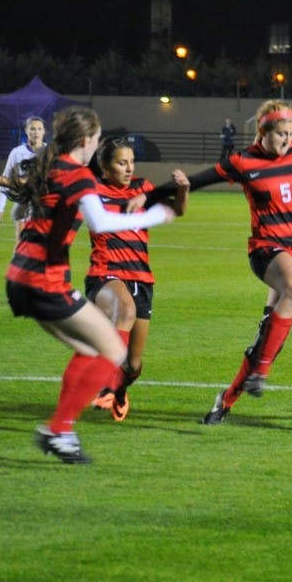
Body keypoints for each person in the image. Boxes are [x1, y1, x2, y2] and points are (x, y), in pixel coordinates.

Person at [0, 106, 185, 463]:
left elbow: (25, 190)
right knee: (113, 352)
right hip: (45, 279)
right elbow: (100, 222)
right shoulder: (78, 175)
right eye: (97, 140)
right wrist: (156, 215)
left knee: (89, 350)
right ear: (86, 141)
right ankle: (59, 428)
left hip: (18, 278)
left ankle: (63, 432)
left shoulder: (47, 166)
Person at [147, 100, 292, 425]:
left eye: (291, 133)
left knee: (268, 339)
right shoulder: (242, 161)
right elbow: (196, 182)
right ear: (263, 131)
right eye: (281, 134)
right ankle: (262, 373)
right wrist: (146, 197)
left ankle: (226, 400)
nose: (287, 140)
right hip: (267, 250)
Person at [86, 138, 189, 422]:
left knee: (133, 365)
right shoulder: (93, 191)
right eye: (122, 163)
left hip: (141, 277)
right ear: (105, 168)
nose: (129, 168)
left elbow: (178, 210)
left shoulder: (142, 188)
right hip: (105, 273)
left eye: (132, 161)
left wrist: (183, 189)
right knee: (125, 310)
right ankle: (106, 384)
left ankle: (119, 389)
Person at [0, 116, 47, 241]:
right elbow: (5, 178)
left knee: (44, 243)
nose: (36, 132)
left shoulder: (50, 151)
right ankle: (18, 258)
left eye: (39, 129)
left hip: (45, 202)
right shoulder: (17, 152)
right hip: (24, 200)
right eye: (33, 129)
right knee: (21, 240)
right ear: (26, 131)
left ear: (44, 131)